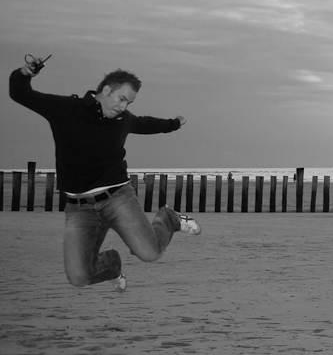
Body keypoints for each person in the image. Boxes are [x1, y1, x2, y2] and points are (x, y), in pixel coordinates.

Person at [9, 56, 201, 292]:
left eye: (128, 103)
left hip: (118, 198)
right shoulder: (66, 109)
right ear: (106, 89)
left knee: (150, 253)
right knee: (79, 277)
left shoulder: (123, 120)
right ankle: (112, 266)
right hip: (79, 208)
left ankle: (169, 218)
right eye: (121, 99)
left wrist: (174, 123)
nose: (123, 107)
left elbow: (148, 124)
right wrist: (25, 73)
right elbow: (20, 94)